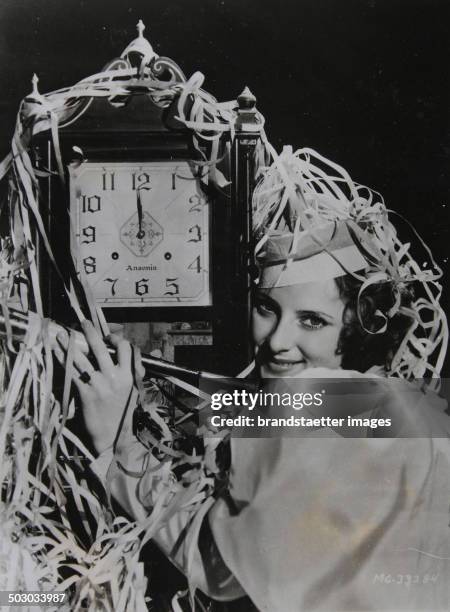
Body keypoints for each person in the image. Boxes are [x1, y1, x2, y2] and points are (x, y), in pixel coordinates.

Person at [55, 147, 449, 611]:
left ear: (358, 327)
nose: (278, 341)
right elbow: (244, 409)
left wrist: (120, 447)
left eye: (312, 321)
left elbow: (218, 570)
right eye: (267, 308)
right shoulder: (388, 405)